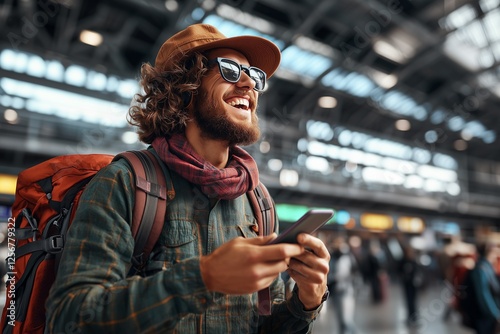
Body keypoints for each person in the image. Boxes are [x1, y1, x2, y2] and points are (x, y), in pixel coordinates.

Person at [44, 23, 330, 333]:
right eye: (231, 70)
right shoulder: (125, 183)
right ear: (185, 87)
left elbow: (263, 325)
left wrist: (305, 301)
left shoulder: (258, 201)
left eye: (255, 75)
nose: (250, 83)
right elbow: (70, 317)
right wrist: (205, 278)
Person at [467, 241, 500, 334]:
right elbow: (483, 295)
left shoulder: (487, 267)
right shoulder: (481, 269)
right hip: (483, 316)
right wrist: (495, 314)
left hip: (487, 315)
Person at [327, 236, 358, 334]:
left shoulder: (347, 256)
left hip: (346, 291)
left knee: (346, 320)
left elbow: (353, 272)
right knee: (341, 319)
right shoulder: (332, 256)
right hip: (335, 291)